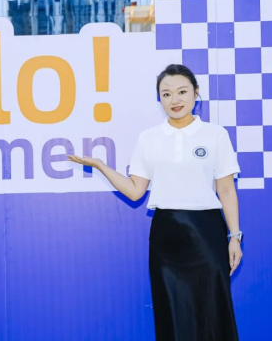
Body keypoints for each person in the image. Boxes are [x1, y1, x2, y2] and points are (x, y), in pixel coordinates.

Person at [68, 64, 242, 341]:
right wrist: (101, 166)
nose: (175, 100)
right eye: (166, 94)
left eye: (182, 92)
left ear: (196, 92)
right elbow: (135, 191)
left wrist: (234, 237)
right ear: (159, 99)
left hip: (206, 233)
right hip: (166, 235)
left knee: (212, 310)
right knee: (171, 312)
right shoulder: (149, 138)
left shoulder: (215, 135)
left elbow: (226, 190)